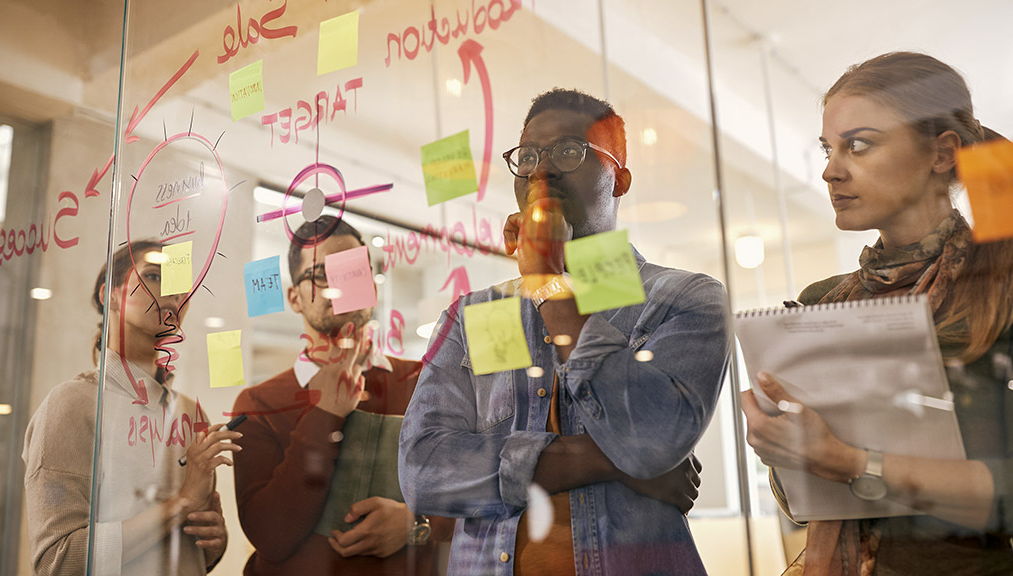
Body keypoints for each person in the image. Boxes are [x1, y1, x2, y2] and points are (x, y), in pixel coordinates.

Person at [399, 88, 729, 575]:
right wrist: (612, 461)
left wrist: (549, 285)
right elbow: (424, 471)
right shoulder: (474, 314)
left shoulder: (682, 299)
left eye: (569, 152)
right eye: (527, 156)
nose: (541, 170)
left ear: (619, 178)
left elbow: (651, 439)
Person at [741, 52, 1013, 575]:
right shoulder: (822, 302)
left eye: (857, 145)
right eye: (828, 148)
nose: (829, 170)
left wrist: (852, 464)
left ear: (941, 153)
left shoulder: (997, 289)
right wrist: (780, 447)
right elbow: (802, 501)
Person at [232, 216, 452, 575]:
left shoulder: (424, 382)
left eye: (354, 271)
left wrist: (416, 522)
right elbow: (271, 536)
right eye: (321, 274)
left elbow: (477, 497)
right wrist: (326, 414)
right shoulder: (259, 403)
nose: (341, 284)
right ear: (294, 298)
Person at [23, 239, 239, 575]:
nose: (172, 294)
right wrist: (179, 505)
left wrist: (214, 542)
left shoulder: (191, 415)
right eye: (154, 276)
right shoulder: (70, 406)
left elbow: (184, 555)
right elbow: (59, 562)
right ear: (109, 293)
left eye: (182, 287)